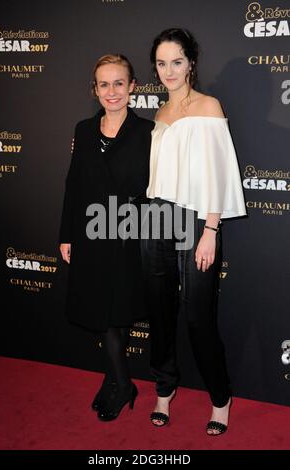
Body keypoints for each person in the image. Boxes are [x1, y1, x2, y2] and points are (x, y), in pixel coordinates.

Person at [142, 28, 246, 435]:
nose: (169, 70)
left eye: (177, 61)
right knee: (160, 313)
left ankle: (220, 397)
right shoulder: (159, 113)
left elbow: (218, 172)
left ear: (191, 64)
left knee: (199, 318)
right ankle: (164, 390)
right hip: (156, 219)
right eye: (162, 63)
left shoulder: (208, 106)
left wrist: (210, 228)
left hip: (196, 221)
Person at [59, 54, 154, 421]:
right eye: (104, 84)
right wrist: (66, 233)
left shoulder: (148, 131)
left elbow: (157, 189)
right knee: (101, 313)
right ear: (94, 89)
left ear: (132, 87)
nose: (111, 91)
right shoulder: (83, 129)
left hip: (128, 238)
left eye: (119, 83)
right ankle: (116, 379)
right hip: (89, 235)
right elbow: (73, 185)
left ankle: (120, 383)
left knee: (116, 315)